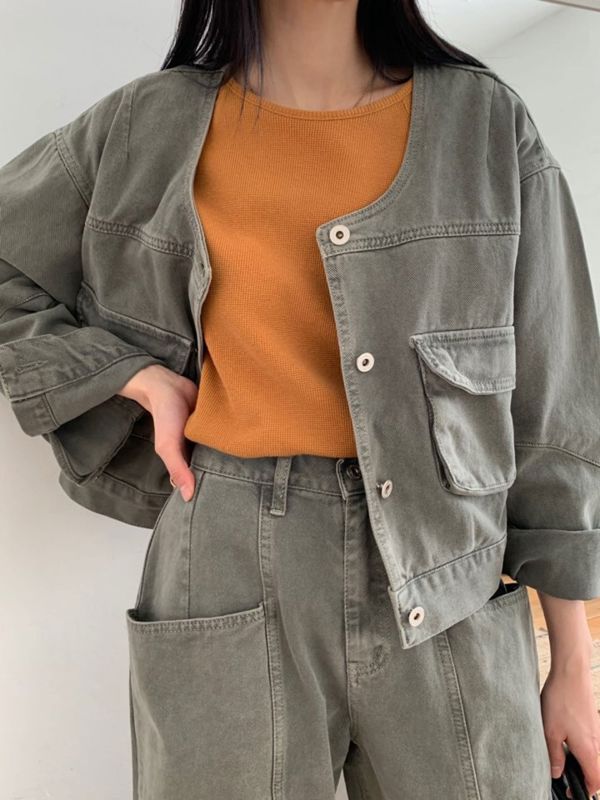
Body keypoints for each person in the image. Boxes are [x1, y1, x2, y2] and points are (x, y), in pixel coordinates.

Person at [1, 1, 600, 798]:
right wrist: (127, 374)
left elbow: (556, 401)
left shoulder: (484, 122)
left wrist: (575, 664)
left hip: (447, 570)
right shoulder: (150, 122)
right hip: (227, 561)